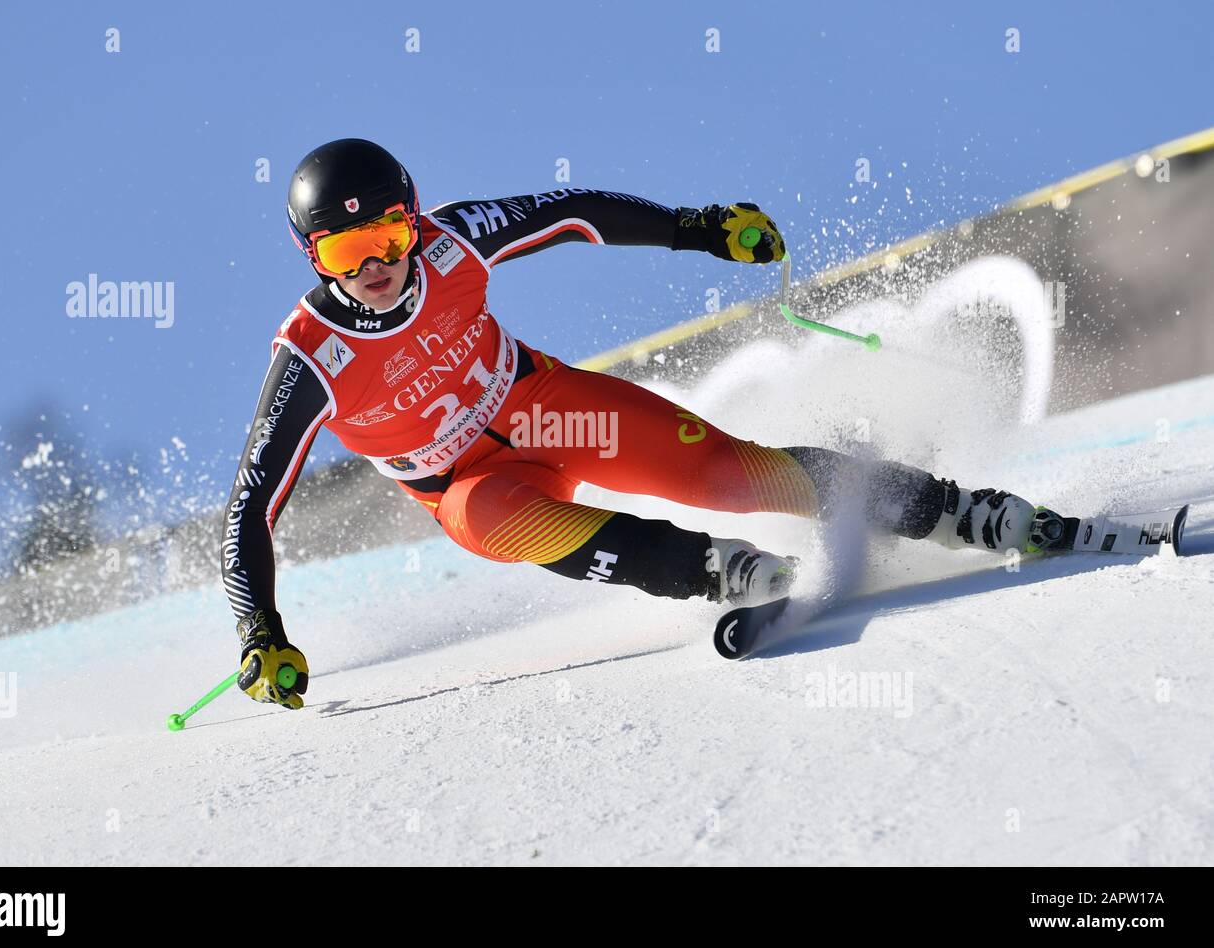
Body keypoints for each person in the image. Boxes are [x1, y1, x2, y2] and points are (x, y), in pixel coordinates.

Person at [224, 138, 1065, 709]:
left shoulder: (456, 241)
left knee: (730, 475)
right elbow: (250, 506)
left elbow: (577, 210)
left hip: (544, 411)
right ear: (313, 259)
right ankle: (719, 572)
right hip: (475, 485)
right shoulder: (311, 357)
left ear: (415, 217)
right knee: (490, 517)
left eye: (388, 234)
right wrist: (259, 629)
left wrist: (696, 229)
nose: (375, 265)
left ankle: (949, 510)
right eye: (343, 251)